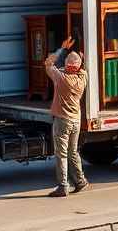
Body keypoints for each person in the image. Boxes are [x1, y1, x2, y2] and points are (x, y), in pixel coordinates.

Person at [44, 36, 89, 197]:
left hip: (62, 120)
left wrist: (62, 49)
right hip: (76, 120)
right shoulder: (82, 77)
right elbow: (80, 66)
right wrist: (79, 57)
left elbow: (48, 63)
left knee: (61, 154)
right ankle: (80, 181)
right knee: (73, 152)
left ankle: (63, 185)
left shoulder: (61, 78)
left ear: (66, 65)